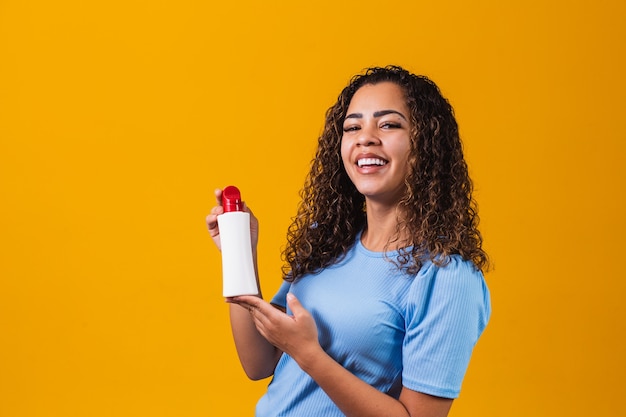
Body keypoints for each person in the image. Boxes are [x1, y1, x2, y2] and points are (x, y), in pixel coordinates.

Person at [206, 65, 491, 417]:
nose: (365, 138)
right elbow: (258, 362)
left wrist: (310, 355)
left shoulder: (446, 276)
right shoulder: (328, 241)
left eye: (388, 124)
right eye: (352, 127)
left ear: (426, 145)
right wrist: (239, 254)